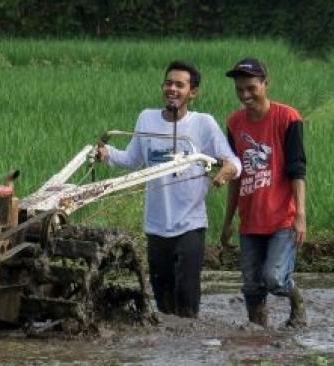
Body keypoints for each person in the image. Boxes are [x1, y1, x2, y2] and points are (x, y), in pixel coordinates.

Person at [97, 60, 241, 318]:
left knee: (187, 299)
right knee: (162, 302)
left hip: (190, 224)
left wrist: (224, 173)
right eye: (168, 83)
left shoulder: (203, 124)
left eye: (179, 85)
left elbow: (234, 162)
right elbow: (133, 159)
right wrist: (106, 153)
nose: (172, 89)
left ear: (192, 92)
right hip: (156, 226)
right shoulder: (146, 118)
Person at [220, 57, 307, 328]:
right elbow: (235, 175)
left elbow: (297, 169)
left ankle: (297, 303)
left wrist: (301, 214)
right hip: (250, 220)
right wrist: (227, 222)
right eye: (239, 89)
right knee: (251, 285)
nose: (245, 95)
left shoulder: (287, 118)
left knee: (274, 279)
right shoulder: (234, 123)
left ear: (265, 84)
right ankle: (258, 334)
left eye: (251, 88)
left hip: (282, 218)